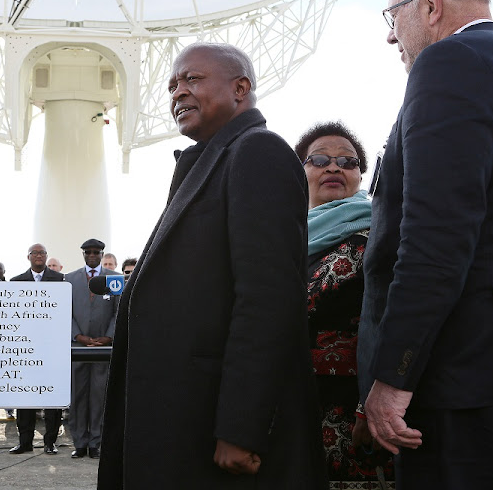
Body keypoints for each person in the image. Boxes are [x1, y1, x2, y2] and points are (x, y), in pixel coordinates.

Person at [98, 43, 326, 489]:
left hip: (213, 430)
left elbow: (267, 301)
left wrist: (242, 428)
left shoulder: (258, 152)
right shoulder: (208, 162)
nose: (178, 92)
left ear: (241, 88)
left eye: (193, 79)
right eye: (172, 85)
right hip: (183, 419)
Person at [358, 0, 493, 489]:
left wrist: (392, 378)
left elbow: (437, 241)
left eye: (393, 16)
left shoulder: (450, 62)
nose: (391, 35)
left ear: (430, 5)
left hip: (463, 384)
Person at [296, 122, 394, 488]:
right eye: (319, 159)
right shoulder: (277, 236)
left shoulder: (381, 234)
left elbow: (391, 321)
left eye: (347, 162)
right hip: (288, 404)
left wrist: (370, 406)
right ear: (299, 172)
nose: (334, 168)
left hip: (357, 412)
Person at [8, 243, 65, 455]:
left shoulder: (60, 280)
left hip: (51, 347)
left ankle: (50, 442)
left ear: (46, 256)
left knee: (52, 398)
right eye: (35, 253)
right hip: (24, 347)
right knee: (25, 399)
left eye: (42, 253)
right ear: (28, 257)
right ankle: (25, 442)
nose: (38, 256)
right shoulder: (16, 282)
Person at [67, 238, 118, 459]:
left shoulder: (114, 278)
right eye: (88, 252)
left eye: (96, 252)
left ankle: (96, 442)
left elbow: (118, 311)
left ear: (102, 253)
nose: (92, 255)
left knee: (99, 396)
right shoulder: (69, 279)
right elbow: (65, 311)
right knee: (77, 397)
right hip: (78, 348)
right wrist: (78, 336)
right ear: (83, 254)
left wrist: (108, 337)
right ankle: (79, 442)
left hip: (102, 350)